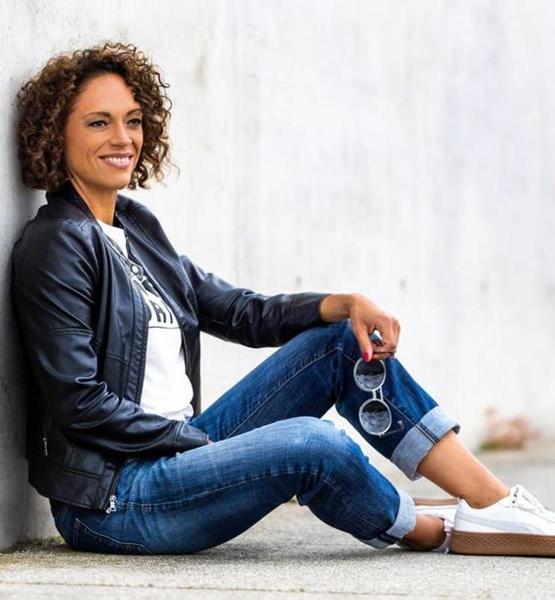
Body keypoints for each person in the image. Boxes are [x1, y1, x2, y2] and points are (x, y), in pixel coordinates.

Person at [10, 41, 554, 557]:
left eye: (132, 120)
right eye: (99, 122)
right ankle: (431, 530)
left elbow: (239, 311)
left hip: (180, 452)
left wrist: (343, 303)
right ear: (56, 135)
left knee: (343, 343)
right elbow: (79, 404)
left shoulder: (136, 226)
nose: (123, 138)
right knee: (312, 444)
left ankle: (493, 505)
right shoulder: (56, 244)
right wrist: (193, 443)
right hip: (116, 498)